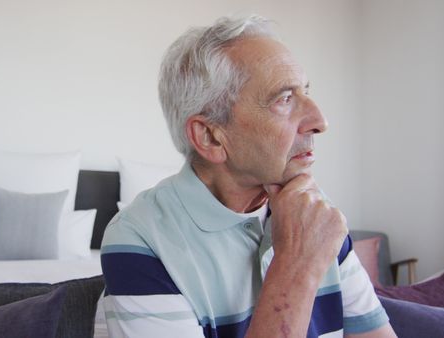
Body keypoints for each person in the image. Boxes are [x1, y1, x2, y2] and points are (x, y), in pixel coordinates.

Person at [101, 15, 397, 338]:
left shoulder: (312, 210)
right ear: (211, 137)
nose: (320, 120)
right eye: (284, 99)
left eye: (305, 93)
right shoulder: (140, 239)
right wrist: (296, 263)